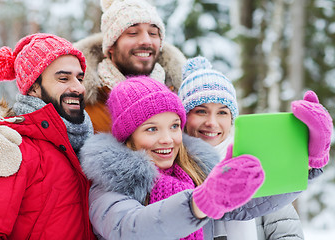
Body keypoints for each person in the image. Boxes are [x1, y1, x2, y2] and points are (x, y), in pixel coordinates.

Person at [79, 76, 309, 240]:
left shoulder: (193, 172)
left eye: (174, 126)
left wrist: (308, 162)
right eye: (152, 129)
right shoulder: (108, 185)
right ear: (128, 136)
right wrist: (198, 203)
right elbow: (131, 228)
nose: (168, 139)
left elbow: (251, 202)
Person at [177, 56, 333, 240]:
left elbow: (285, 229)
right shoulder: (171, 169)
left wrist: (309, 160)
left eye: (222, 112)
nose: (212, 123)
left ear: (231, 119)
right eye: (201, 111)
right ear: (184, 117)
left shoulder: (254, 162)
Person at [0, 33, 96, 239]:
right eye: (63, 78)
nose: (78, 87)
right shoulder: (8, 146)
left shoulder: (85, 145)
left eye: (80, 77)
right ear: (33, 87)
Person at [73, 0, 186, 133]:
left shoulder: (181, 99)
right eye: (133, 33)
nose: (146, 41)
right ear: (111, 47)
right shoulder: (81, 105)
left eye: (153, 33)